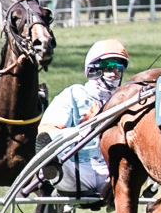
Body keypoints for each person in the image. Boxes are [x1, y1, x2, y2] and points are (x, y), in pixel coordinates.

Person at [38, 39, 131, 200]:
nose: (115, 71)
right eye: (109, 66)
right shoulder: (74, 94)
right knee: (51, 146)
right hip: (75, 170)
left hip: (112, 172)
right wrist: (79, 133)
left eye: (119, 67)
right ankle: (49, 167)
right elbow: (48, 130)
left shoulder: (126, 100)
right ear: (93, 68)